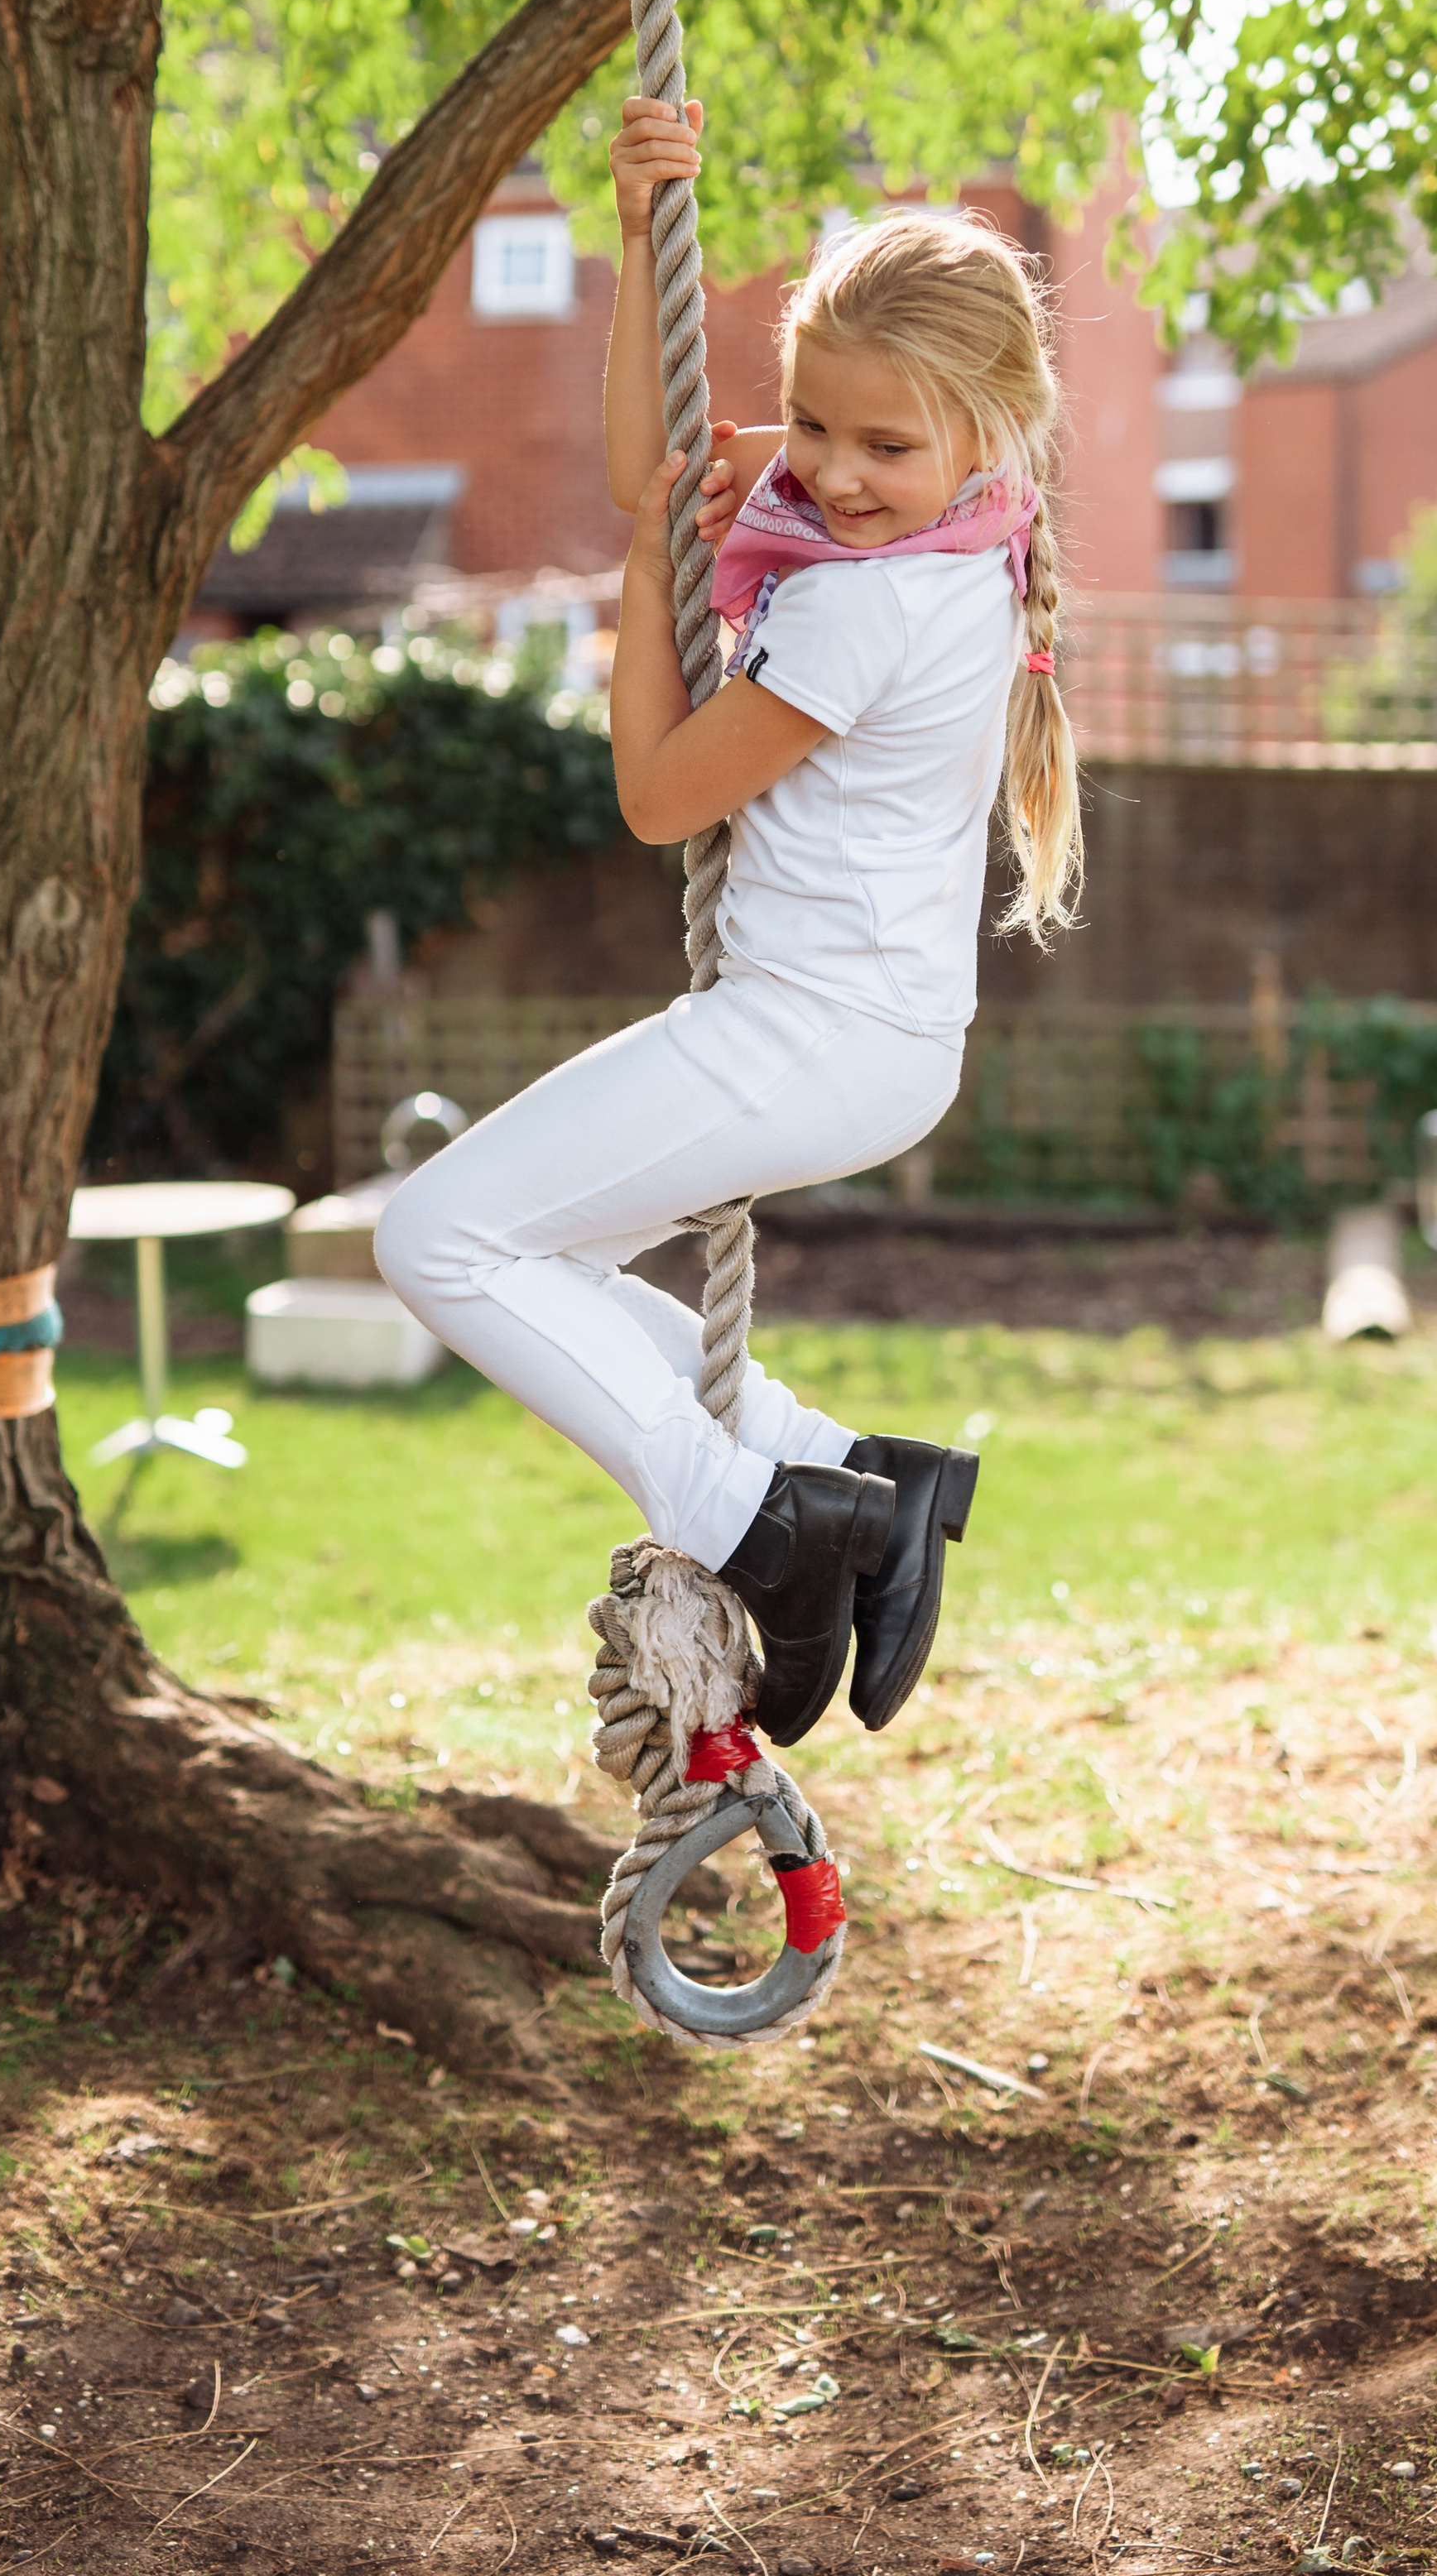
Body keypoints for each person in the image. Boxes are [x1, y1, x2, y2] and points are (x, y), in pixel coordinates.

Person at [377, 94, 1080, 1749]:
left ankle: (756, 1521)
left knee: (438, 1241)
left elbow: (657, 797)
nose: (830, 474)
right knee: (529, 1254)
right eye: (811, 428)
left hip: (813, 1036)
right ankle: (849, 1478)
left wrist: (641, 588)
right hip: (840, 1033)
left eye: (879, 448)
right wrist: (633, 235)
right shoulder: (944, 528)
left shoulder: (862, 608)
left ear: (988, 432)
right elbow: (662, 472)